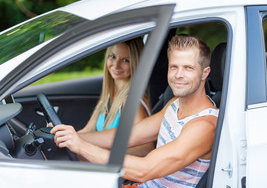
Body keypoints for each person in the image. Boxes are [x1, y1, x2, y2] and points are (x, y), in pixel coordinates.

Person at [51, 35, 219, 187]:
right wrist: (70, 136)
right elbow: (129, 135)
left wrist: (81, 147)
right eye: (174, 67)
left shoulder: (203, 125)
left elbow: (145, 169)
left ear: (205, 73)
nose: (178, 75)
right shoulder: (175, 104)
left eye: (188, 68)